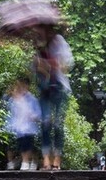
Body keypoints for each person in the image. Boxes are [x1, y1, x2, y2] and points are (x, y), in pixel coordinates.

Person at [32, 24, 73, 171]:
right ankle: (46, 159)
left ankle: (57, 159)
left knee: (57, 125)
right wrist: (39, 67)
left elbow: (68, 65)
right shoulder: (36, 48)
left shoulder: (58, 41)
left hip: (60, 89)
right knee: (45, 123)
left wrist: (52, 65)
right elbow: (33, 71)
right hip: (45, 91)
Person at [5, 77, 41, 170]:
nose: (21, 87)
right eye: (19, 85)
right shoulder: (12, 98)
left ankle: (25, 163)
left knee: (26, 145)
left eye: (23, 85)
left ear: (27, 86)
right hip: (14, 127)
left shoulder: (32, 99)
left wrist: (32, 116)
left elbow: (38, 114)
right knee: (12, 146)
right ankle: (12, 162)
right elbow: (7, 111)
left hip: (28, 128)